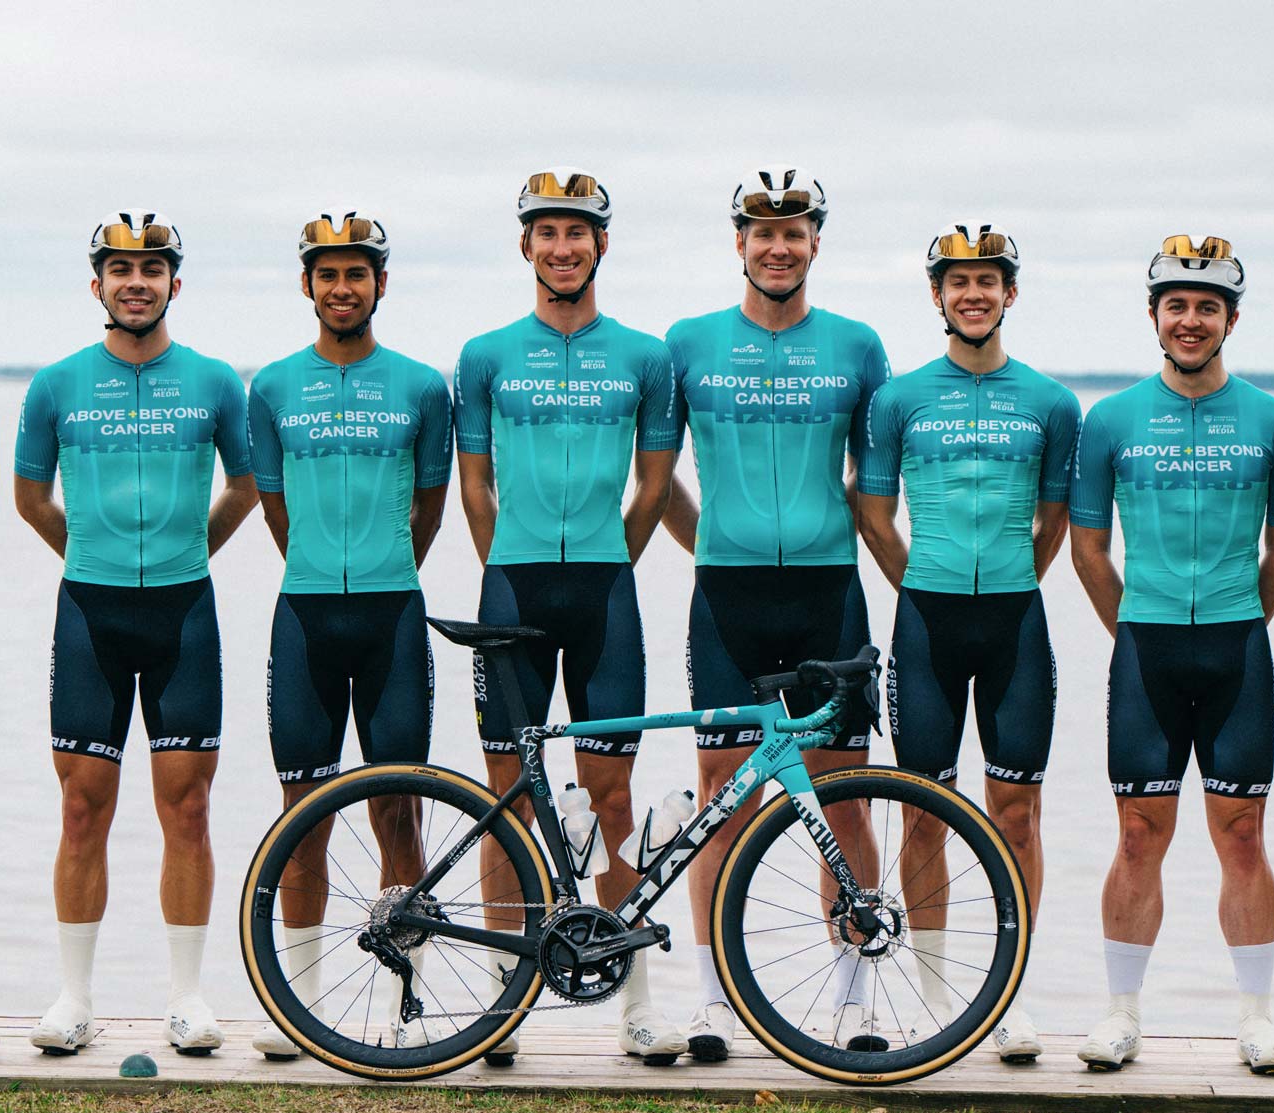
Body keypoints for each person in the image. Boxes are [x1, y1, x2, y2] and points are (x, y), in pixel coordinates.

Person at [453, 168, 685, 1064]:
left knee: (612, 796)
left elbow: (655, 484)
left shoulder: (644, 356)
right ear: (526, 247)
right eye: (546, 232)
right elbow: (476, 482)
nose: (562, 247)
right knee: (507, 800)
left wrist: (608, 558)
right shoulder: (486, 354)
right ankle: (502, 1005)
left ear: (601, 245)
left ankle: (634, 1003)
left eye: (577, 233)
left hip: (604, 591)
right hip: (510, 589)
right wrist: (500, 558)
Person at [14, 211, 257, 1056]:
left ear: (173, 285)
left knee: (187, 807)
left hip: (184, 611)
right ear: (98, 285)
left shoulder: (217, 381)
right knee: (83, 808)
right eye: (120, 270)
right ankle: (74, 997)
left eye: (152, 269)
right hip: (90, 612)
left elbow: (247, 485)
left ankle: (187, 996)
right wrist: (89, 554)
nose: (136, 282)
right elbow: (30, 499)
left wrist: (191, 548)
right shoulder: (55, 385)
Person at [662, 166, 890, 1059]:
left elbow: (873, 486)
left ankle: (855, 995)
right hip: (727, 596)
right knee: (724, 798)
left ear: (816, 243)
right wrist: (712, 543)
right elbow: (659, 475)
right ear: (740, 244)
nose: (779, 246)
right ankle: (715, 998)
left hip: (830, 593)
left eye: (795, 231)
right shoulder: (689, 344)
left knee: (848, 801)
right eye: (764, 233)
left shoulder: (858, 346)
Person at [1067, 236, 1274, 1073]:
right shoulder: (1111, 420)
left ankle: (1257, 1017)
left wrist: (1244, 619)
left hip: (1238, 645)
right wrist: (1134, 627)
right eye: (1178, 305)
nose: (1192, 319)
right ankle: (1120, 1012)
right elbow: (1088, 551)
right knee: (1138, 833)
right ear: (1154, 316)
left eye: (1208, 306)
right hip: (1145, 649)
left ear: (1231, 319)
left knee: (1242, 833)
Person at [858, 221, 1078, 1060]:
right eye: (959, 282)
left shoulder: (1053, 403)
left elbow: (1054, 521)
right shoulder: (899, 399)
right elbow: (873, 513)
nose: (974, 293)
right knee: (924, 814)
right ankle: (940, 994)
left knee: (1017, 814)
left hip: (1017, 621)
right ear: (938, 296)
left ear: (1010, 294)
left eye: (989, 281)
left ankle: (1008, 995)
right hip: (926, 620)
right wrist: (924, 582)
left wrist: (1010, 578)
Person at [244, 213, 451, 1060]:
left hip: (392, 611)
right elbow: (273, 504)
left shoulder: (420, 387)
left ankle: (413, 997)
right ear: (307, 285)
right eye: (327, 275)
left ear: (380, 285)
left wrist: (387, 563)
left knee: (400, 806)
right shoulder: (271, 387)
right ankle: (301, 1006)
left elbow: (430, 504)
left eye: (356, 275)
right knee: (304, 815)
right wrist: (321, 563)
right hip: (304, 616)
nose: (341, 289)